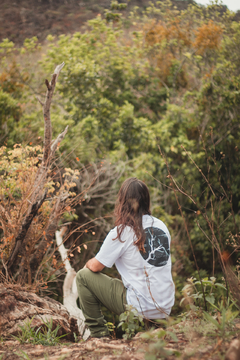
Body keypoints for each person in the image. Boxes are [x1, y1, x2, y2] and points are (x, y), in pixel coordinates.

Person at [76, 177, 175, 338]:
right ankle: (152, 328)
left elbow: (94, 267)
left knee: (82, 277)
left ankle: (99, 335)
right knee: (122, 284)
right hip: (164, 311)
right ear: (146, 200)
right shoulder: (161, 226)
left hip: (140, 309)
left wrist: (88, 266)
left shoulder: (121, 232)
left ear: (122, 202)